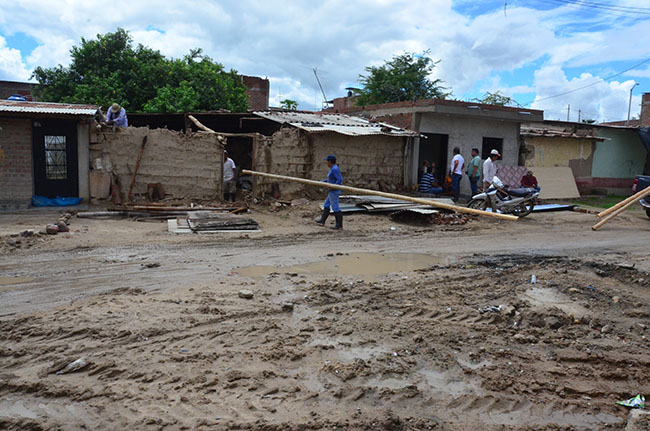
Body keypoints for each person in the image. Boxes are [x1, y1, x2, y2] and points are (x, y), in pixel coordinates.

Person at [316, 155, 343, 230]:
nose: (327, 163)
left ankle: (339, 225)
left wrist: (333, 186)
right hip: (331, 191)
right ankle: (322, 220)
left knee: (335, 207)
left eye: (327, 161)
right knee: (326, 204)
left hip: (334, 191)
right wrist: (321, 182)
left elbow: (340, 179)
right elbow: (329, 179)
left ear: (330, 162)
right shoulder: (332, 168)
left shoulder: (335, 169)